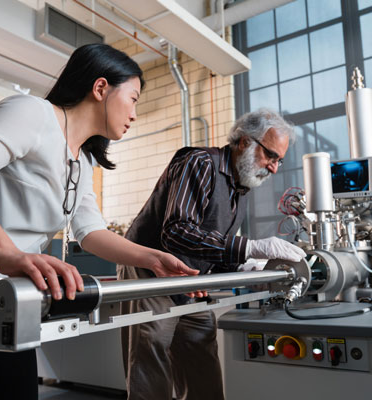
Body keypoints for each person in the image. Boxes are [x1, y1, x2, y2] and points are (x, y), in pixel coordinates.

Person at [0, 43, 200, 400]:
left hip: (9, 306)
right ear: (101, 88)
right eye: (134, 98)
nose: (134, 113)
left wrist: (153, 259)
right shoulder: (32, 113)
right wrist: (7, 253)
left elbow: (90, 233)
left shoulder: (82, 161)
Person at [118, 108, 306, 400]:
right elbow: (177, 231)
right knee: (151, 353)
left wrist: (244, 268)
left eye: (279, 160)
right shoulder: (200, 162)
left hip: (190, 279)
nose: (274, 168)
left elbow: (211, 245)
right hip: (150, 267)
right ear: (245, 142)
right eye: (270, 155)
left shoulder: (241, 188)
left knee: (201, 347)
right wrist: (248, 247)